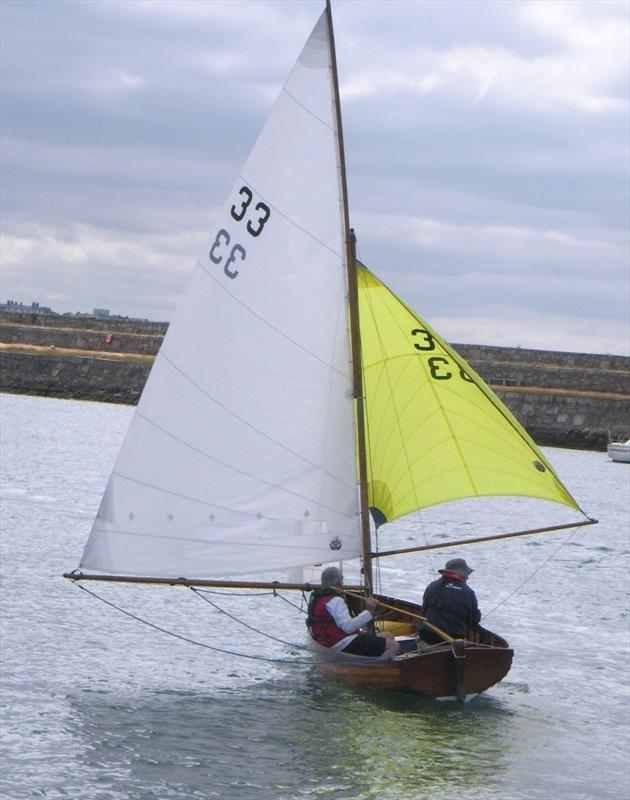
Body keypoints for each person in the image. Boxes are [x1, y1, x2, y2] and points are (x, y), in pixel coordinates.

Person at [307, 566, 400, 657]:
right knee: (394, 646)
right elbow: (348, 628)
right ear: (339, 583)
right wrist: (369, 611)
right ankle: (377, 670)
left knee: (388, 636)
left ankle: (375, 658)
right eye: (342, 581)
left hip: (327, 641)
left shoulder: (317, 598)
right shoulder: (336, 601)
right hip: (341, 643)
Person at [417, 557, 484, 644]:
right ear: (462, 575)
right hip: (452, 639)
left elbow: (424, 611)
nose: (468, 577)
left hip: (426, 635)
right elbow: (473, 620)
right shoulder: (468, 592)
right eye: (466, 575)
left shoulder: (432, 586)